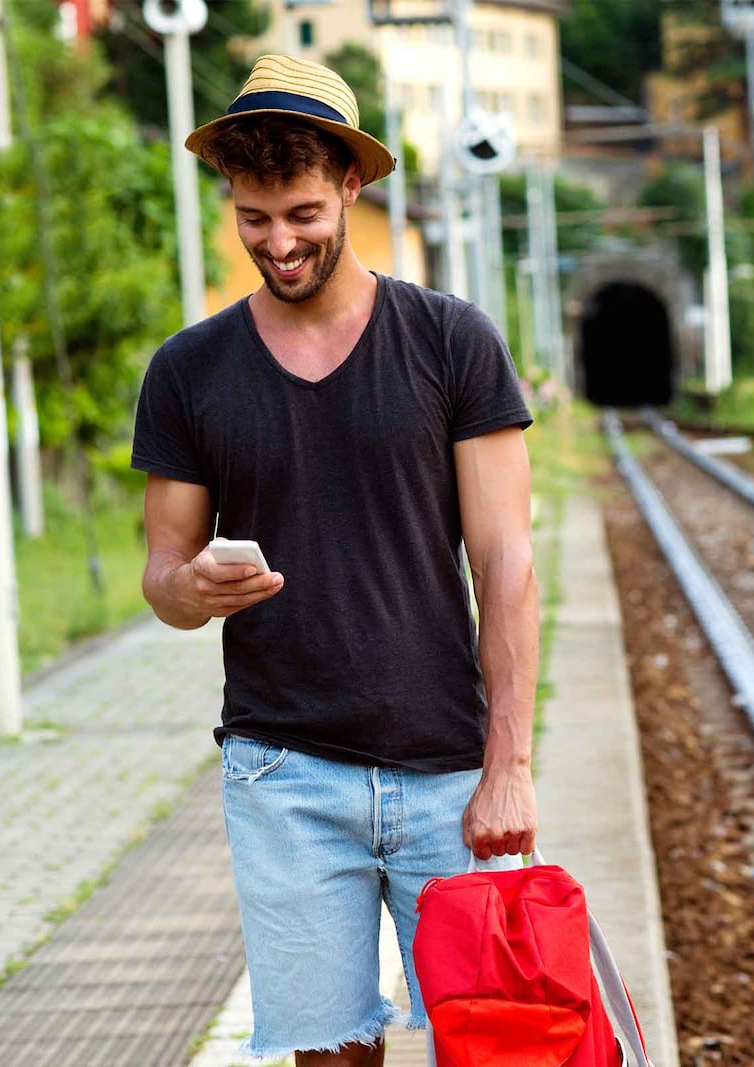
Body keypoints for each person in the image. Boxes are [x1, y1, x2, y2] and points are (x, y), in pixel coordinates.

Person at [130, 55, 538, 1066]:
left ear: (353, 186)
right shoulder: (187, 370)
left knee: (493, 1045)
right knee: (329, 1056)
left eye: (302, 213)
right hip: (285, 774)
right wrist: (192, 588)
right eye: (254, 218)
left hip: (448, 770)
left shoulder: (451, 341)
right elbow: (163, 573)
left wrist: (510, 768)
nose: (278, 243)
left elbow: (506, 564)